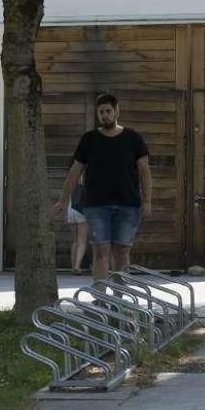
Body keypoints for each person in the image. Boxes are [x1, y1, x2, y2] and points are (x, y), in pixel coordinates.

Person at [53, 92, 153, 281]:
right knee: (101, 251)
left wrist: (147, 200)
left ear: (116, 111)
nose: (105, 115)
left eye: (108, 111)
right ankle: (100, 299)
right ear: (97, 115)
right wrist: (63, 199)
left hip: (128, 204)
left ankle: (120, 300)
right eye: (101, 112)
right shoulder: (89, 139)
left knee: (122, 251)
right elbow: (75, 171)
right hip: (96, 205)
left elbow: (144, 171)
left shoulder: (133, 138)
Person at [67, 179, 89, 275]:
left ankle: (73, 266)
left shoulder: (72, 184)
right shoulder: (86, 185)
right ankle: (77, 266)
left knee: (75, 240)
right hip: (81, 212)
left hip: (70, 211)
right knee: (82, 240)